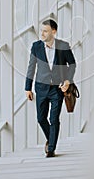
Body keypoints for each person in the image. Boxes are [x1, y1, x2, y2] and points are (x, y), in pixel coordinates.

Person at [25, 19, 76, 158]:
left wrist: (67, 80)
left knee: (54, 119)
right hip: (41, 88)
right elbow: (31, 67)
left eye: (45, 31)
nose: (42, 33)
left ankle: (51, 149)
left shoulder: (63, 46)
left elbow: (72, 64)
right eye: (41, 30)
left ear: (53, 31)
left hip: (57, 89)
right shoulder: (36, 47)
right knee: (41, 118)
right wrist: (27, 87)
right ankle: (51, 138)